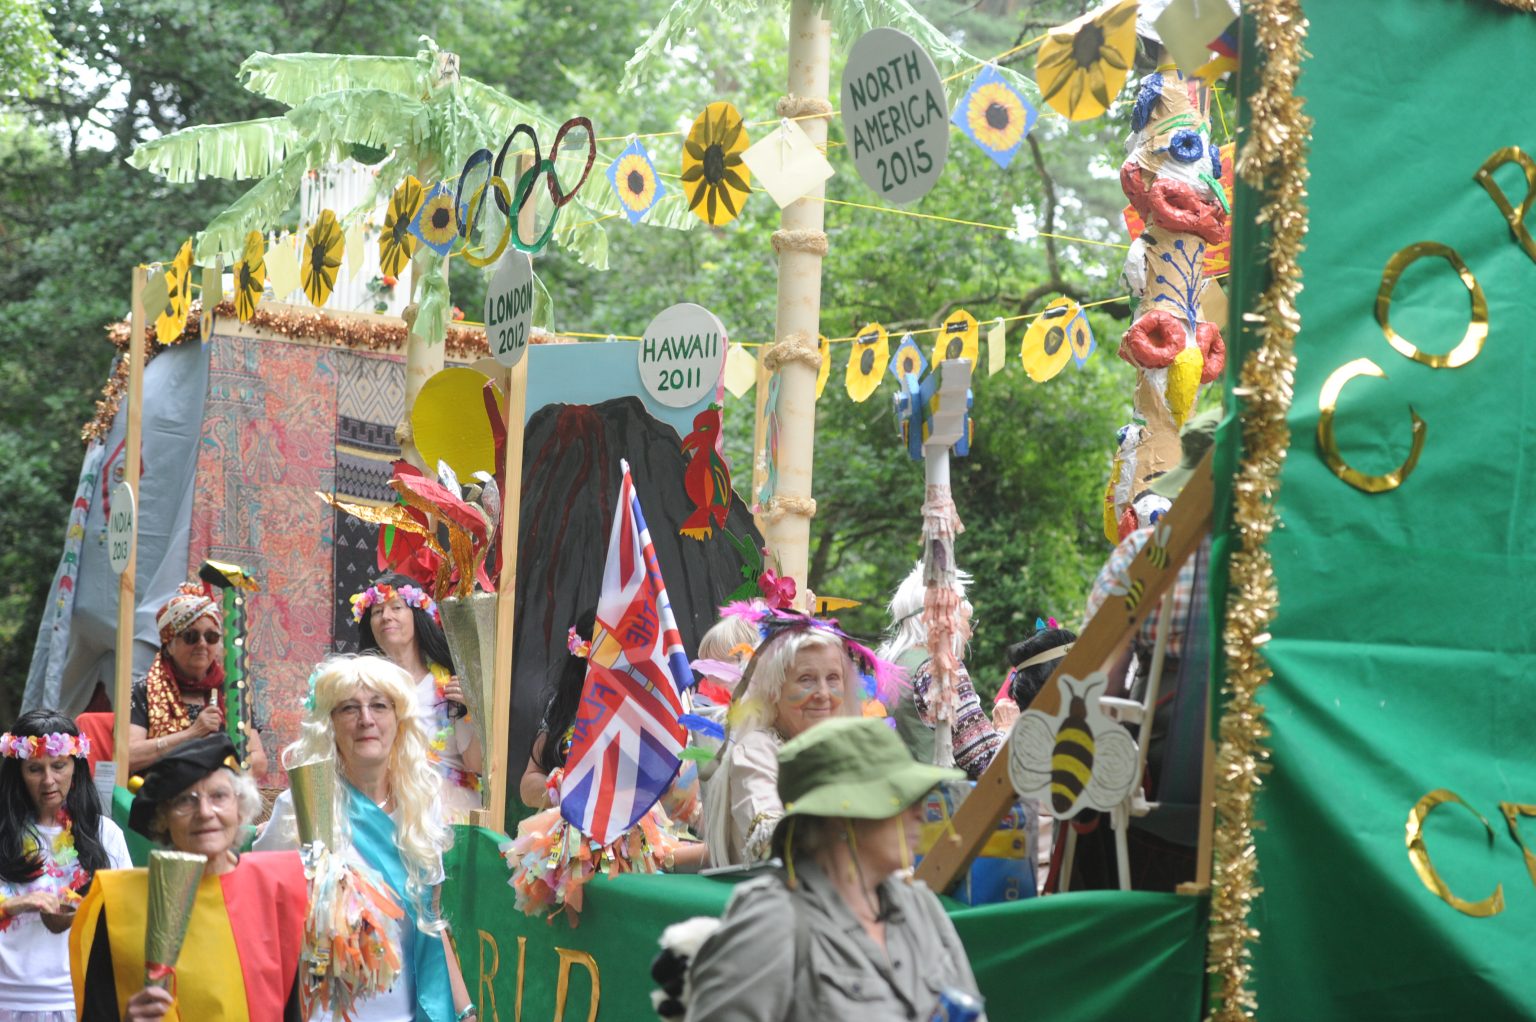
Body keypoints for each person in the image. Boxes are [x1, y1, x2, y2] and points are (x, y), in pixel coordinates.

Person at [684, 717, 986, 1021]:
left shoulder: (920, 907)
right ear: (842, 815)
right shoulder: (775, 920)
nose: (919, 812)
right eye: (900, 798)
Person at [256, 654, 473, 1022]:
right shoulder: (301, 806)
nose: (366, 719)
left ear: (399, 720)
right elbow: (262, 923)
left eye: (379, 706)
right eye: (348, 709)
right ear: (330, 724)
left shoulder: (421, 805)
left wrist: (465, 1011)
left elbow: (431, 922)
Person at [72, 734, 305, 1021]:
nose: (205, 813)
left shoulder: (274, 888)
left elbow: (295, 1009)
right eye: (185, 800)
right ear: (163, 819)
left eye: (219, 796)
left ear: (240, 807)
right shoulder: (121, 905)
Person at [702, 609, 889, 867]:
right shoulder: (756, 749)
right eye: (806, 679)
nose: (823, 693)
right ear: (773, 691)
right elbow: (772, 840)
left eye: (833, 678)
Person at [0, 711, 130, 1022]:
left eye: (59, 766)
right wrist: (14, 904)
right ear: (18, 772)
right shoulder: (4, 834)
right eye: (34, 769)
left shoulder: (105, 835)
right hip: (8, 998)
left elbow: (126, 916)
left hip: (80, 998)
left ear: (76, 766)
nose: (48, 780)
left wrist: (84, 907)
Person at [353, 572, 483, 821]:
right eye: (377, 611)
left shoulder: (448, 684)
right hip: (382, 810)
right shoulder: (363, 688)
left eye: (396, 607)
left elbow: (475, 764)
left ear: (417, 616)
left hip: (446, 814)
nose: (386, 616)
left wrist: (474, 711)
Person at [126, 581, 268, 777]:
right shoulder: (144, 690)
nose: (202, 644)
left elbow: (258, 761)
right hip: (162, 797)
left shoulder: (233, 690)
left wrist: (212, 778)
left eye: (211, 637)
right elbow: (128, 757)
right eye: (191, 636)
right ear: (169, 645)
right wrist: (192, 733)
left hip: (223, 793)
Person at [878, 564, 1000, 778]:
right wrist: (1009, 727)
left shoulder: (893, 665)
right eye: (966, 621)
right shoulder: (939, 668)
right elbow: (988, 763)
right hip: (944, 805)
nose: (970, 633)